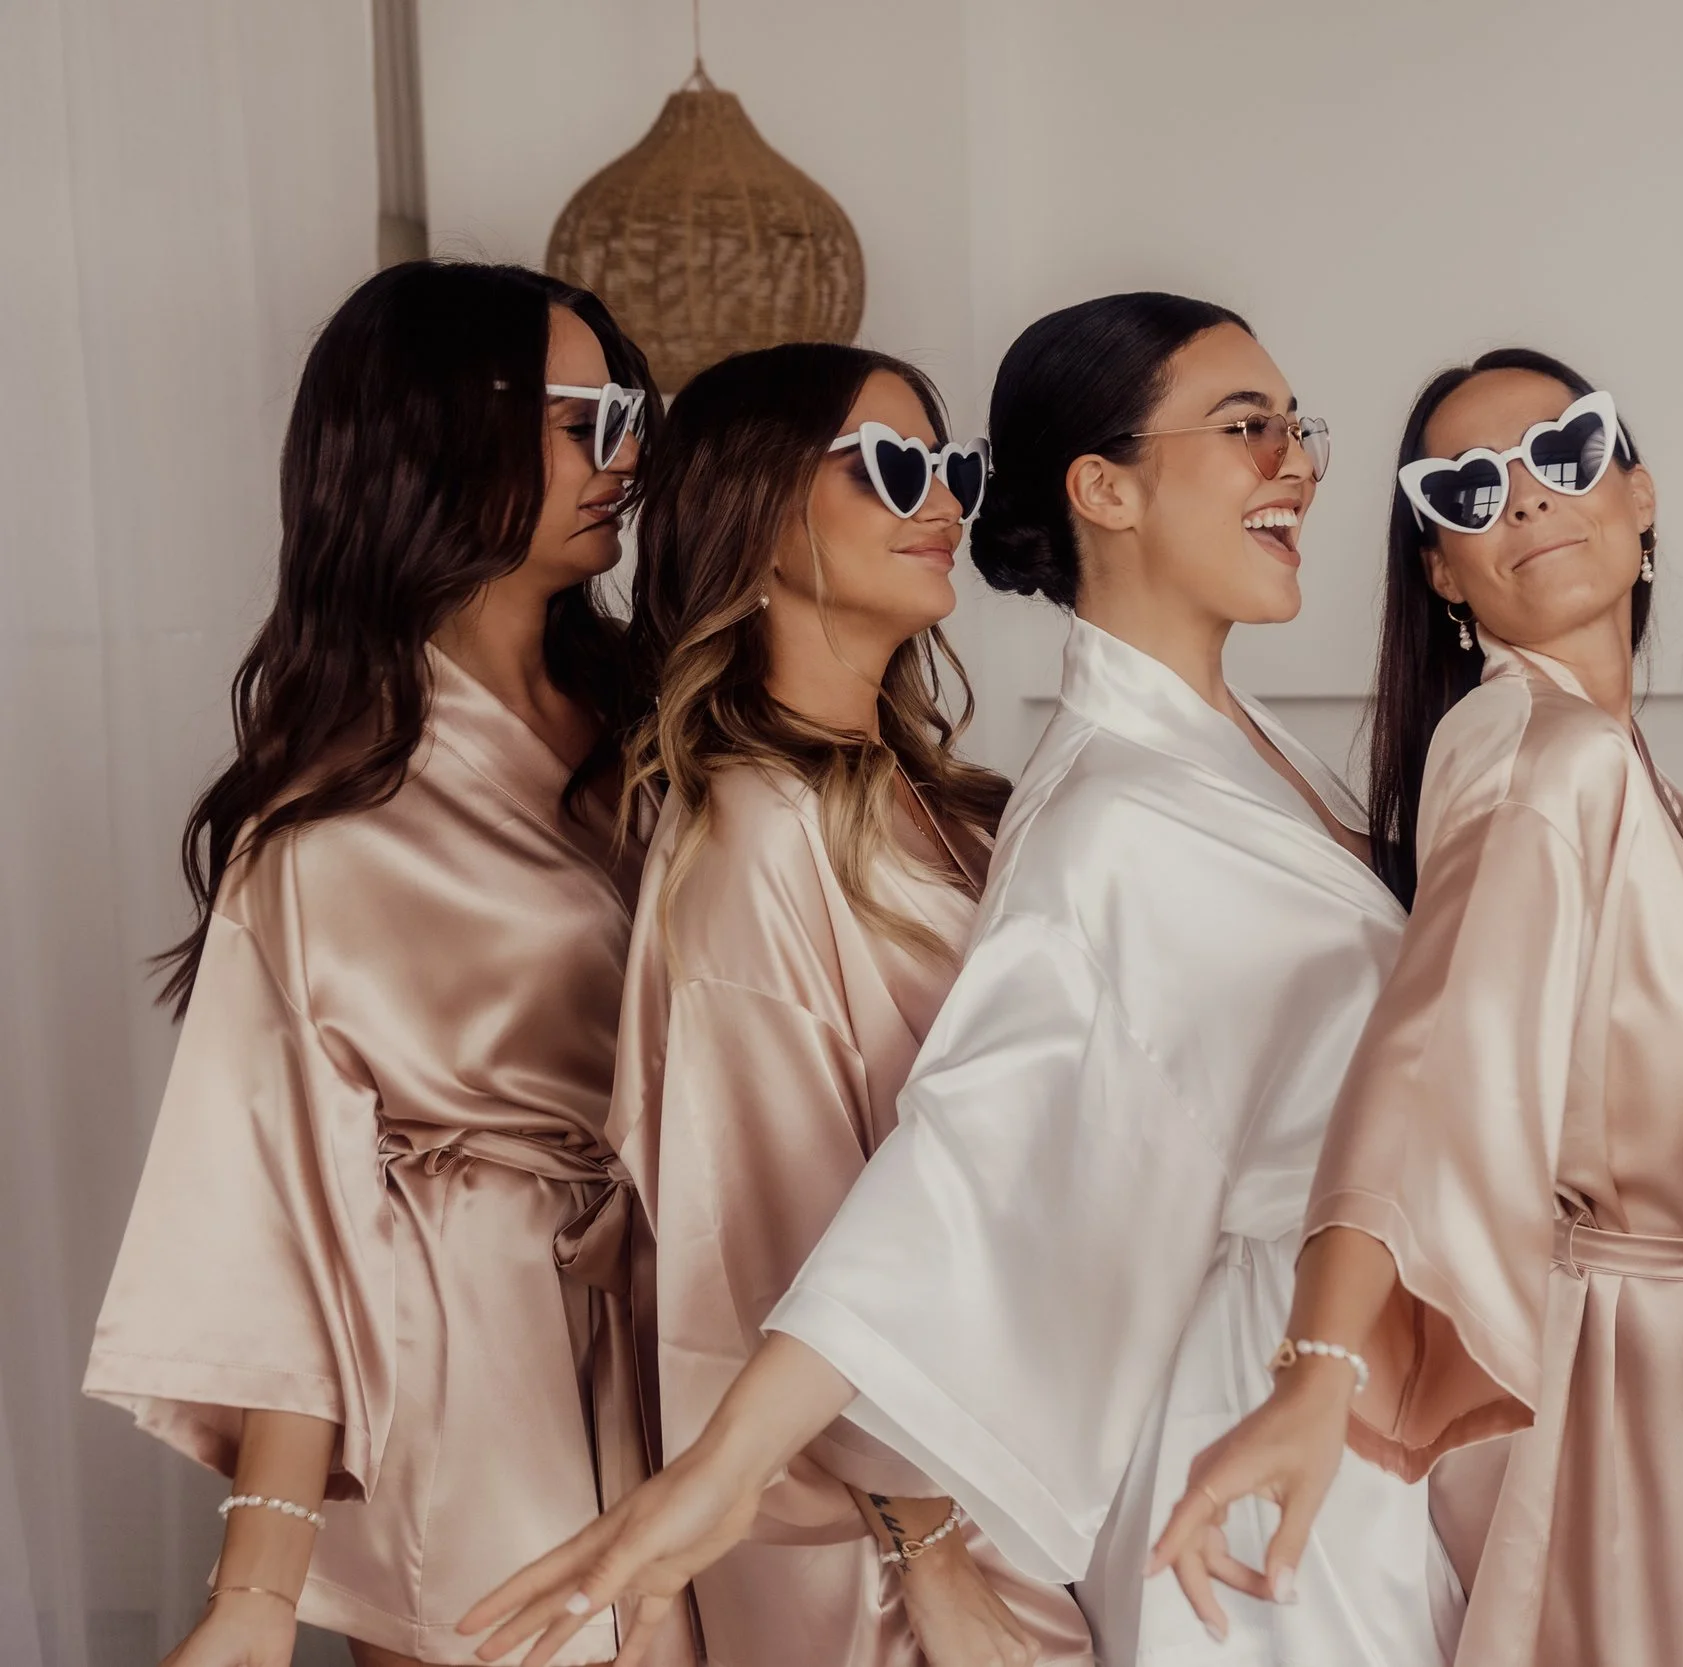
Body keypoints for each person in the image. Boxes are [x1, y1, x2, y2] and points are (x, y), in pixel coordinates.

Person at [460, 293, 1456, 1667]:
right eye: (1247, 426)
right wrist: (742, 1468)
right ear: (1103, 487)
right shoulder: (1096, 816)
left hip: (1322, 1374)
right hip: (1233, 1407)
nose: (1298, 459)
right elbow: (948, 1162)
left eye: (1299, 427)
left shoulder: (1146, 772)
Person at [86, 260, 692, 1667]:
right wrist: (254, 1590)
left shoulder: (659, 721)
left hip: (692, 1332)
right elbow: (279, 1213)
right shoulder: (329, 823)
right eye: (580, 418)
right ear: (435, 430)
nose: (627, 456)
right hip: (475, 1379)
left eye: (628, 414)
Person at [1150, 351, 1683, 1667]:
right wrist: (1321, 1358)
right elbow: (1431, 1048)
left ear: (1640, 489)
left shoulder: (1643, 783)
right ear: (1441, 566)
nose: (1527, 499)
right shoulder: (1537, 755)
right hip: (1614, 1405)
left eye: (1565, 453)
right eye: (1470, 487)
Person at [606, 340, 1092, 1666]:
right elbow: (780, 1231)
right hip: (868, 1528)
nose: (941, 502)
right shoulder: (755, 838)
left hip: (1021, 1448)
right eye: (891, 468)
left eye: (954, 468)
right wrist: (929, 1553)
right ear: (753, 518)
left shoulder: (967, 808)